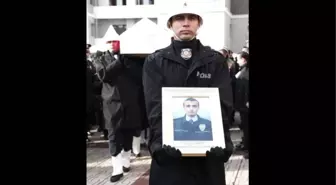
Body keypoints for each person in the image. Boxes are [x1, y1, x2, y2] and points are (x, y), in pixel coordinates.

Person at [142, 3, 234, 185]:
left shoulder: (215, 60)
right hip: (169, 154)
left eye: (191, 18)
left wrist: (222, 142)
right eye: (179, 18)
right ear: (170, 24)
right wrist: (160, 144)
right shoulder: (155, 61)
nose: (185, 23)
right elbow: (154, 107)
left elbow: (224, 104)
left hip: (208, 154)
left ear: (199, 23)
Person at [95, 48, 147, 182]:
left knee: (128, 133)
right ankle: (116, 169)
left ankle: (126, 162)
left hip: (131, 103)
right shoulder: (100, 57)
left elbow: (140, 78)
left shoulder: (134, 60)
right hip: (112, 105)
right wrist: (119, 61)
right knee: (113, 135)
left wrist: (127, 60)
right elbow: (104, 75)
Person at [234, 51, 249, 159]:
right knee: (245, 127)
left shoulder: (246, 71)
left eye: (238, 59)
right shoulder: (243, 70)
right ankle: (246, 145)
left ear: (244, 59)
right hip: (243, 104)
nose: (237, 61)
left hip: (246, 105)